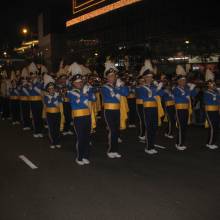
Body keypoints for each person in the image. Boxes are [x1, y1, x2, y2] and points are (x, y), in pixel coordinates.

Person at [67, 74, 95, 166]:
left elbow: (93, 98)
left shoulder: (85, 90)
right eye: (77, 82)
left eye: (80, 82)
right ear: (73, 83)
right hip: (78, 117)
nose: (79, 83)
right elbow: (78, 102)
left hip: (87, 116)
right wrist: (84, 93)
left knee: (87, 137)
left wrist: (89, 91)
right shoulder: (71, 92)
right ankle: (79, 157)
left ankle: (86, 156)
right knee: (80, 138)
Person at [101, 68, 129, 159]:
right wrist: (118, 88)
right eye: (110, 76)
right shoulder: (104, 87)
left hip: (117, 110)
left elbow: (125, 93)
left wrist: (122, 86)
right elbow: (110, 96)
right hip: (109, 111)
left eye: (113, 76)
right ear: (107, 78)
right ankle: (111, 150)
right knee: (112, 130)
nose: (112, 78)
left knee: (116, 131)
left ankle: (115, 150)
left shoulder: (117, 85)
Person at [139, 70, 164, 155]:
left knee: (154, 127)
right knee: (149, 128)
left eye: (151, 77)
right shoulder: (142, 87)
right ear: (145, 78)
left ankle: (152, 145)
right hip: (147, 108)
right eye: (148, 77)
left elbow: (161, 94)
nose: (150, 78)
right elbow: (146, 97)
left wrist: (159, 88)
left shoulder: (154, 87)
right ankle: (148, 147)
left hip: (154, 108)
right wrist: (156, 90)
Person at [173, 75, 197, 150]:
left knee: (184, 127)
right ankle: (179, 144)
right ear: (178, 81)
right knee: (181, 126)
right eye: (182, 80)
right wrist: (189, 90)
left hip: (186, 109)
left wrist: (193, 89)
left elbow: (194, 95)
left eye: (184, 80)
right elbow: (178, 98)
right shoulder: (175, 89)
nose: (184, 82)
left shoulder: (186, 88)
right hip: (179, 109)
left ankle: (179, 142)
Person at [44, 82, 62, 149]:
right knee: (51, 128)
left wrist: (58, 96)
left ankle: (57, 142)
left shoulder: (58, 95)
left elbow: (60, 102)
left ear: (54, 89)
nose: (51, 90)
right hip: (49, 114)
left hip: (57, 114)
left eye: (53, 88)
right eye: (50, 89)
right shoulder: (46, 97)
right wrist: (55, 97)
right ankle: (52, 142)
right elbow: (49, 104)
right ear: (48, 90)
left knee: (57, 128)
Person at [28, 63, 44, 138]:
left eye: (34, 75)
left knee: (39, 117)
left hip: (39, 101)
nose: (33, 76)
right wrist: (31, 84)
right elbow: (30, 92)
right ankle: (36, 131)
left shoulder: (40, 82)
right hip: (33, 102)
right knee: (35, 117)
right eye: (32, 75)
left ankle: (40, 131)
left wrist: (34, 85)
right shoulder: (30, 83)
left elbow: (40, 92)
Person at [204, 80, 220, 149]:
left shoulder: (216, 92)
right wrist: (215, 99)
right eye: (212, 84)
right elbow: (206, 101)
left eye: (214, 84)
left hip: (216, 110)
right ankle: (210, 143)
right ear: (209, 85)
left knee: (215, 126)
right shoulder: (206, 92)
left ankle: (211, 142)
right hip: (209, 110)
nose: (214, 85)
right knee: (213, 127)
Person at [136, 76, 146, 142]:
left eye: (143, 81)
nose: (142, 82)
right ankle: (142, 134)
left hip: (147, 104)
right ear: (139, 81)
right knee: (142, 119)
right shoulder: (138, 87)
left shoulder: (145, 87)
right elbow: (140, 93)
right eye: (141, 81)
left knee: (146, 119)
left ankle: (145, 133)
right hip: (140, 104)